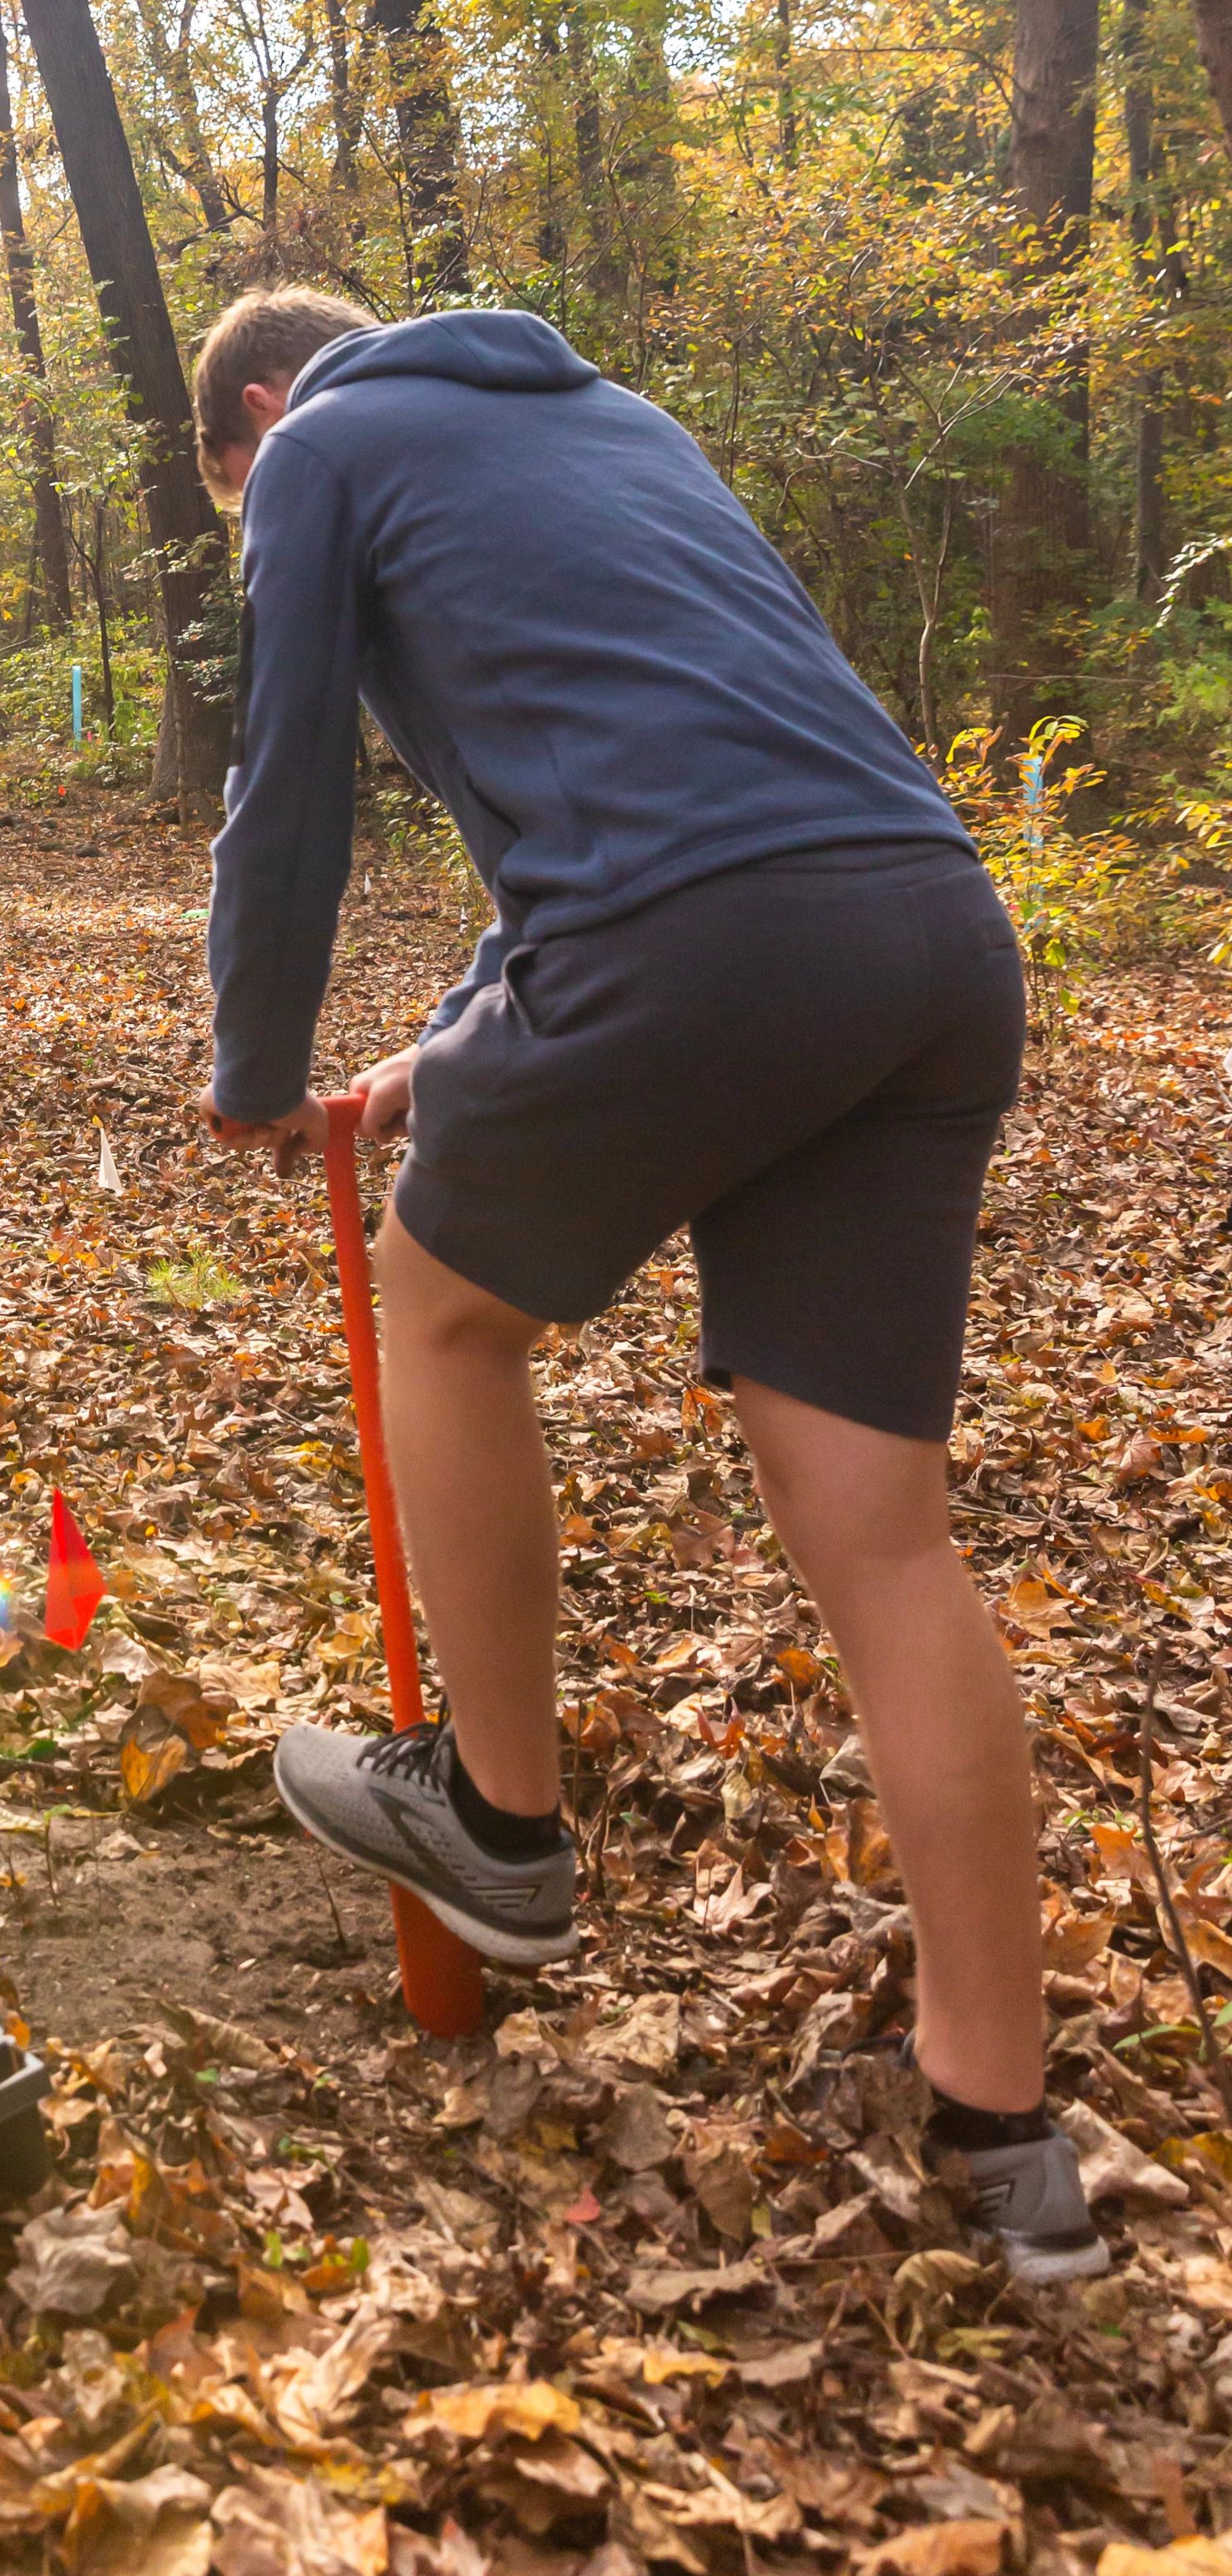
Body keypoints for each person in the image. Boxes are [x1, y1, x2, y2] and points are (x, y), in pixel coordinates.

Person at [195, 281, 1103, 2290]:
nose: (259, 537)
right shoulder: (614, 423)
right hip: (922, 933)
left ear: (259, 411)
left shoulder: (322, 450)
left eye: (233, 501)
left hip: (706, 938)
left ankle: (498, 1827)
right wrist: (431, 1052)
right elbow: (659, 788)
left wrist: (253, 1077)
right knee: (879, 1533)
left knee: (436, 1300)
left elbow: (289, 802)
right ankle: (1003, 2129)